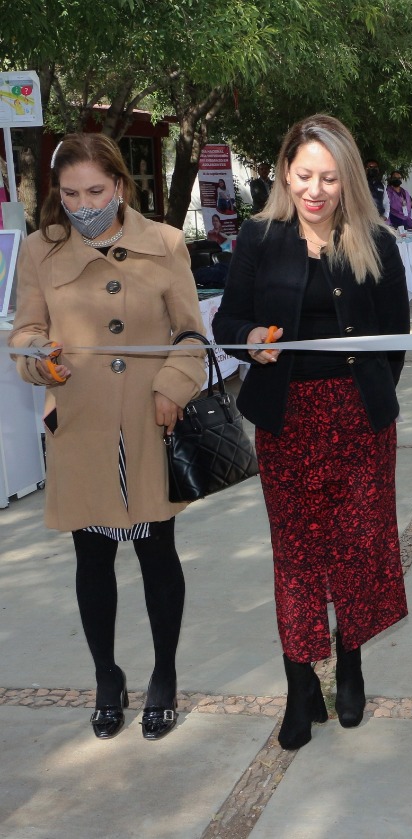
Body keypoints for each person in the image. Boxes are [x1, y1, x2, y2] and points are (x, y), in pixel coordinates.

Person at [212, 114, 410, 751]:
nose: (315, 190)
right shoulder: (258, 237)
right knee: (296, 555)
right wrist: (248, 339)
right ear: (284, 174)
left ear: (347, 178)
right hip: (287, 421)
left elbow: (394, 339)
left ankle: (350, 663)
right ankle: (300, 685)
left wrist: (367, 396)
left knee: (357, 547)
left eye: (328, 178)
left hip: (359, 421)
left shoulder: (376, 242)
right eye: (303, 176)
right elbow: (228, 322)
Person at [8, 133, 207, 742]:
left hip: (149, 423)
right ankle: (106, 676)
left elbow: (191, 335)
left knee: (156, 553)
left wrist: (173, 386)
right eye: (70, 194)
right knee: (91, 557)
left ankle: (164, 676)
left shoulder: (165, 243)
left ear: (120, 185)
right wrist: (39, 359)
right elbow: (26, 331)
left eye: (95, 191)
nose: (83, 204)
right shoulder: (40, 250)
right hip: (81, 425)